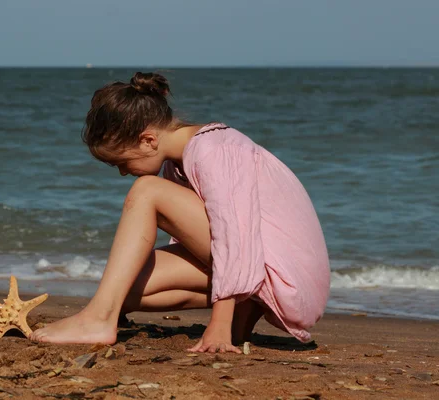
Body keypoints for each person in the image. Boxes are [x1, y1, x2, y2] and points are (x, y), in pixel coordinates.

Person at [30, 72, 330, 353]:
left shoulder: (215, 148)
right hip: (262, 271)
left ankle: (98, 320)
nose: (123, 173)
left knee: (147, 190)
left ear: (148, 140)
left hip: (285, 278)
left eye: (121, 162)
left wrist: (218, 327)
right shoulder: (180, 162)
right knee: (121, 288)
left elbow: (235, 235)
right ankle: (245, 307)